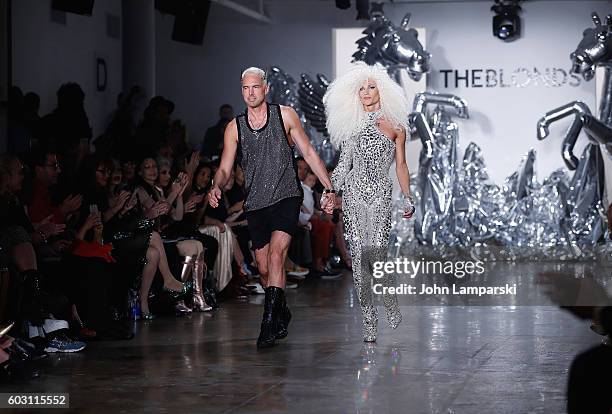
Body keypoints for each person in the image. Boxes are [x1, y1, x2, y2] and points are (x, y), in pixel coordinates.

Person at [209, 67, 335, 348]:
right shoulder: (235, 127)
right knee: (264, 268)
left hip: (286, 196)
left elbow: (309, 152)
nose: (250, 92)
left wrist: (328, 186)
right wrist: (216, 186)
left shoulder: (285, 115)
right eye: (245, 88)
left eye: (255, 87)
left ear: (265, 89)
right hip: (256, 203)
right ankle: (282, 310)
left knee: (277, 257)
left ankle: (268, 322)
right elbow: (225, 168)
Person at [324, 62, 415, 342]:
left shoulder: (397, 127)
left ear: (382, 90)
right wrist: (330, 192)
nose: (365, 92)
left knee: (376, 255)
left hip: (380, 195)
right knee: (358, 257)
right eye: (361, 88)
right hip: (353, 195)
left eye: (371, 87)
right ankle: (369, 320)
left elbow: (401, 165)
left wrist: (408, 196)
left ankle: (388, 297)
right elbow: (343, 166)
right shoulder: (352, 125)